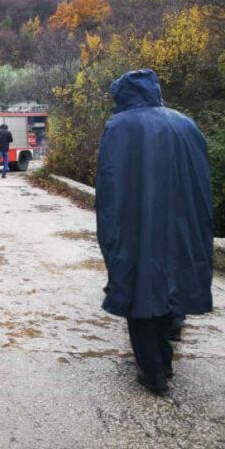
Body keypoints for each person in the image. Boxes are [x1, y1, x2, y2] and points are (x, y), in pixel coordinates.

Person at [96, 69, 213, 395]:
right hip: (182, 226)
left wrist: (110, 235)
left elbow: (109, 187)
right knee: (171, 290)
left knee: (139, 293)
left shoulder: (119, 127)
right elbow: (202, 185)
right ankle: (165, 361)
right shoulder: (187, 125)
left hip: (137, 226)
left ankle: (153, 372)